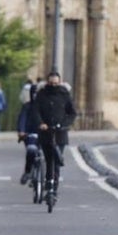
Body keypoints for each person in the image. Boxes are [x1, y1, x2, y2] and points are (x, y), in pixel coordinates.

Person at [34, 70, 78, 198]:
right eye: (51, 83)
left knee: (57, 160)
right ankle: (48, 182)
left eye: (56, 83)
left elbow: (72, 113)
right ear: (47, 82)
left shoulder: (64, 94)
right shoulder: (42, 94)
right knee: (49, 159)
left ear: (59, 83)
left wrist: (64, 124)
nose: (53, 85)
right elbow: (35, 111)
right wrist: (41, 123)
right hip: (46, 132)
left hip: (60, 133)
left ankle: (54, 188)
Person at [16, 83, 42, 184]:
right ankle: (27, 171)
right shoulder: (27, 106)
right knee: (31, 150)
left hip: (44, 133)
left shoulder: (45, 106)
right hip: (30, 133)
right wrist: (21, 131)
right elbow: (22, 118)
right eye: (34, 93)